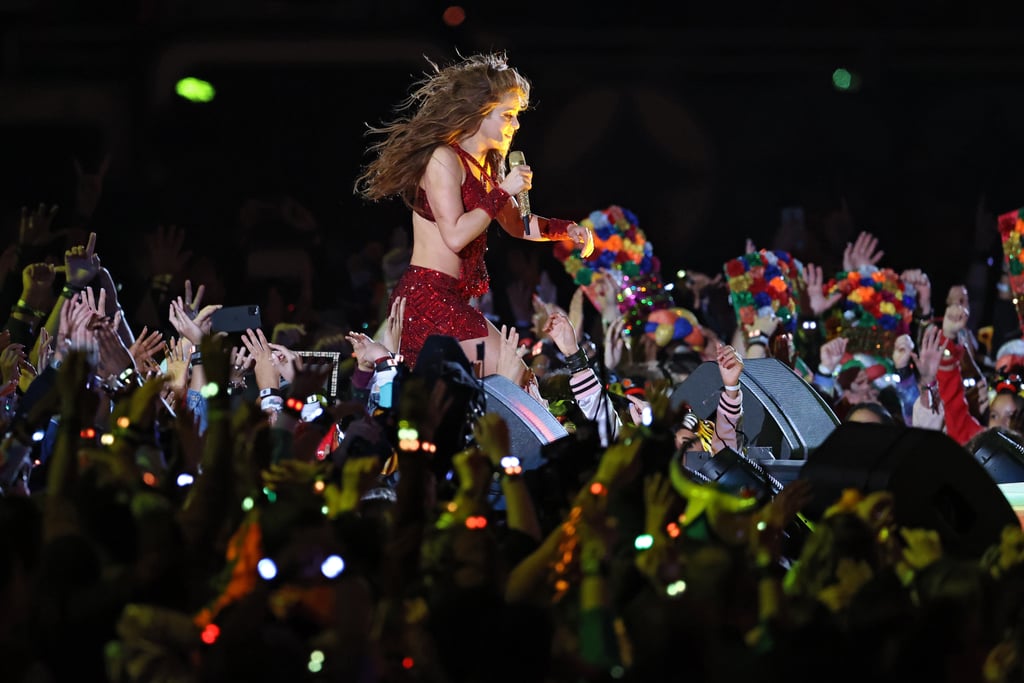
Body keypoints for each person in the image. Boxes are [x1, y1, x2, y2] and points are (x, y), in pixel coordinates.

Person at [354, 51, 594, 377]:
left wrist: (567, 230)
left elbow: (516, 224)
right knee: (518, 381)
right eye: (508, 115)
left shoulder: (486, 167)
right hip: (429, 300)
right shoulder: (443, 159)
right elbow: (454, 235)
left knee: (502, 389)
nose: (517, 124)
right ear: (479, 112)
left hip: (455, 300)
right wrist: (503, 191)